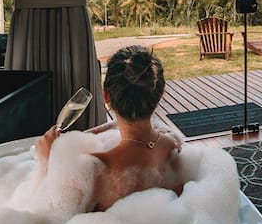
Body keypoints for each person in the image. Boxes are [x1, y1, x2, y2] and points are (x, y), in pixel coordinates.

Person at [35, 45, 184, 211]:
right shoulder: (174, 148)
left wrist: (47, 164)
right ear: (160, 94)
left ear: (106, 96)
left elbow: (48, 215)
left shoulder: (92, 173)